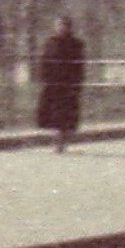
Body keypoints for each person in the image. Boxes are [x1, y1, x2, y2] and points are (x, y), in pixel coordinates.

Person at [34, 14, 87, 151]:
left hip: (68, 83)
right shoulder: (51, 42)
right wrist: (43, 76)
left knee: (66, 114)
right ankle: (58, 138)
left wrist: (78, 82)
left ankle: (61, 139)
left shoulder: (76, 44)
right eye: (58, 25)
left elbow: (79, 65)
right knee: (54, 113)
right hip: (53, 82)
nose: (61, 28)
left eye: (64, 25)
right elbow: (45, 61)